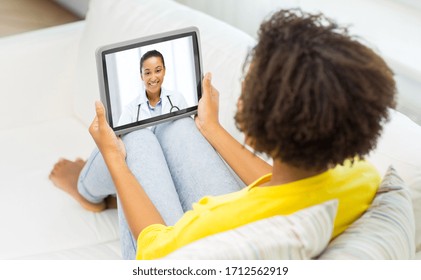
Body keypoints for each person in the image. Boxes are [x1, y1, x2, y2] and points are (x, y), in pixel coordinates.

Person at [49, 9, 396, 260]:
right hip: (254, 210)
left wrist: (114, 161)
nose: (242, 87)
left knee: (134, 137)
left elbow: (153, 250)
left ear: (259, 132)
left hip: (168, 249)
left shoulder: (218, 226)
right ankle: (102, 186)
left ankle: (87, 189)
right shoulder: (360, 176)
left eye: (250, 85)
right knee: (176, 121)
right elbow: (285, 184)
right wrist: (211, 128)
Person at [117, 50, 187, 127]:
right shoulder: (130, 110)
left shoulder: (177, 99)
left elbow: (188, 128)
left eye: (158, 71)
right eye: (147, 73)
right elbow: (118, 137)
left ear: (164, 71)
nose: (153, 78)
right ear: (141, 76)